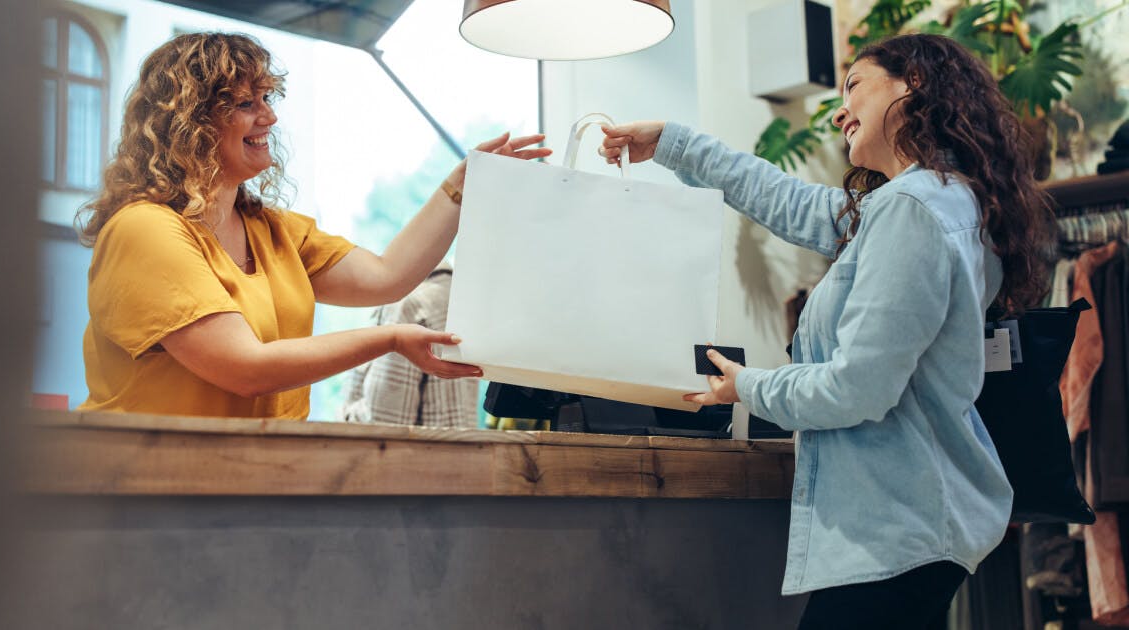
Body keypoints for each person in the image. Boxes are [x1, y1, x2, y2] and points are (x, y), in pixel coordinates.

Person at [601, 34, 1054, 629]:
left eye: (855, 85)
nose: (840, 110)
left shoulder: (913, 209)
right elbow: (783, 198)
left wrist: (748, 386)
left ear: (912, 84)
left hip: (897, 533)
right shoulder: (936, 203)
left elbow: (858, 388)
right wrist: (672, 142)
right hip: (913, 530)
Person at [75, 32, 549, 419]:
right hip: (144, 489)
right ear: (189, 124)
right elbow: (246, 370)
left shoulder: (274, 230)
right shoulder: (144, 230)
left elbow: (387, 278)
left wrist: (460, 186)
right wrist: (390, 338)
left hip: (253, 485)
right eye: (244, 103)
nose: (270, 116)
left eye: (267, 96)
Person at [339, 260, 479, 427]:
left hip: (408, 451)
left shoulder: (405, 305)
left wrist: (343, 414)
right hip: (459, 449)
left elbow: (382, 422)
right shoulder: (467, 305)